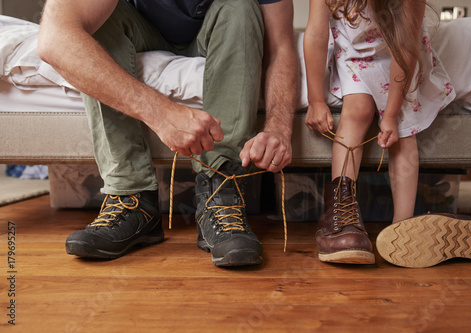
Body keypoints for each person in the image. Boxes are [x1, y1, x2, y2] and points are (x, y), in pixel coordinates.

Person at [37, 0, 298, 267]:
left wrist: (279, 128)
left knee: (240, 5)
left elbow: (281, 47)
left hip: (219, 26)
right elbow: (55, 38)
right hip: (139, 29)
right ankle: (131, 196)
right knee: (97, 23)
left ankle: (221, 190)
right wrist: (161, 114)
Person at [303, 0, 455, 264]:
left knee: (405, 131)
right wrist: (316, 100)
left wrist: (392, 115)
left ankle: (402, 227)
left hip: (398, 58)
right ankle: (343, 210)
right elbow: (316, 33)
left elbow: (405, 47)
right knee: (357, 111)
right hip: (354, 53)